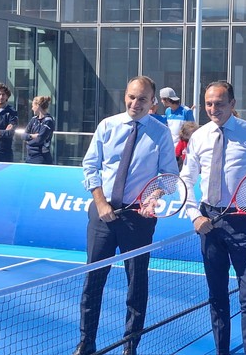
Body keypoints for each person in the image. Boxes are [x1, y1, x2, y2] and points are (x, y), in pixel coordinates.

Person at [75, 76, 177, 355]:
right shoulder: (107, 126)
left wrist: (153, 197)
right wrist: (101, 203)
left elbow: (169, 177)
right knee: (93, 282)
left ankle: (130, 346)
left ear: (152, 102)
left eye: (142, 99)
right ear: (125, 96)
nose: (136, 103)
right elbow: (90, 167)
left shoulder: (161, 133)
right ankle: (86, 343)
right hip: (102, 216)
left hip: (138, 219)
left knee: (136, 285)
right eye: (132, 97)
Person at [180, 81, 246, 355]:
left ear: (232, 105)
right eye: (209, 104)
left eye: (219, 104)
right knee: (217, 297)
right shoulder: (199, 136)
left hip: (242, 221)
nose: (213, 109)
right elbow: (186, 179)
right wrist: (194, 217)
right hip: (208, 222)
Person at [22, 96, 55, 164]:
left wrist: (28, 142)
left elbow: (40, 139)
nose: (32, 108)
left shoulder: (48, 121)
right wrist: (32, 136)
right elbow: (23, 135)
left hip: (41, 157)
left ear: (37, 106)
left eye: (33, 106)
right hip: (30, 156)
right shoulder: (34, 119)